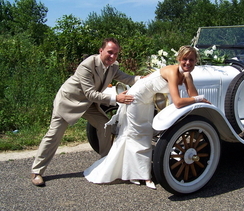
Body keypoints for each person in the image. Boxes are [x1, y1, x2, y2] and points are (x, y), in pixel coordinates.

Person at [83, 45, 211, 189]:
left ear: (196, 61)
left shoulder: (186, 74)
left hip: (148, 101)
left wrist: (189, 80)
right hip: (135, 99)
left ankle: (133, 173)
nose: (188, 63)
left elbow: (193, 95)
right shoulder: (173, 72)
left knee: (142, 134)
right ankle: (143, 175)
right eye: (184, 59)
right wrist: (200, 98)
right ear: (179, 59)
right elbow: (179, 101)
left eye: (192, 60)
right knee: (140, 135)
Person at [31, 37, 141, 186]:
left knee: (105, 126)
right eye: (110, 52)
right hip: (69, 102)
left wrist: (145, 78)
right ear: (101, 51)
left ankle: (106, 164)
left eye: (116, 54)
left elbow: (128, 78)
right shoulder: (87, 65)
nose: (113, 56)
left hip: (88, 104)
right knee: (54, 136)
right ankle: (37, 171)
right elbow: (90, 93)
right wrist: (116, 98)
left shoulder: (113, 66)